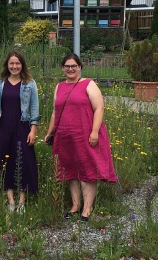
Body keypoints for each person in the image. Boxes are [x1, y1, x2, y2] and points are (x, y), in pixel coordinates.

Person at [44, 53, 117, 221]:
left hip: (85, 134)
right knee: (70, 171)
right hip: (65, 136)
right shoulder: (59, 87)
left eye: (74, 66)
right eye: (67, 66)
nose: (70, 69)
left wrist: (94, 131)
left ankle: (87, 208)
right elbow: (55, 112)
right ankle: (75, 205)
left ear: (80, 67)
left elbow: (99, 108)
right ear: (62, 68)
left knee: (87, 170)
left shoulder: (88, 84)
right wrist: (50, 132)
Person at [0, 50, 40, 213]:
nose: (14, 66)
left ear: (22, 65)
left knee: (24, 161)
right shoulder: (1, 83)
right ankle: (10, 200)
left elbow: (34, 108)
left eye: (17, 63)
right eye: (11, 63)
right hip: (4, 127)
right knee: (5, 161)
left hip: (23, 126)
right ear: (7, 65)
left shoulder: (29, 83)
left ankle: (21, 202)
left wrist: (33, 130)